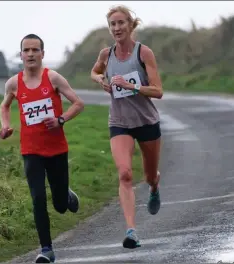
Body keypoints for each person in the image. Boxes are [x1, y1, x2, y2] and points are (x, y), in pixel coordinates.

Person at [0, 33, 84, 263]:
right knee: (37, 198)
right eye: (26, 50)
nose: (30, 54)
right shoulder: (14, 83)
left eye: (35, 50)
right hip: (31, 151)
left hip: (56, 149)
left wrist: (61, 120)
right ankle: (46, 249)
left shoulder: (53, 78)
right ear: (21, 55)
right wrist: (5, 126)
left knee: (59, 206)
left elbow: (78, 103)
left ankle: (65, 195)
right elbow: (4, 106)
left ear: (42, 54)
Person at [90, 5, 163, 249]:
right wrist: (101, 80)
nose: (117, 28)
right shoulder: (106, 54)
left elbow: (158, 91)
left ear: (130, 25)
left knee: (149, 175)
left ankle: (154, 186)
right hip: (119, 122)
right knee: (125, 173)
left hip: (146, 121)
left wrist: (132, 86)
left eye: (121, 23)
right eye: (113, 24)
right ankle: (132, 231)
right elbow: (95, 71)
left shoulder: (144, 53)